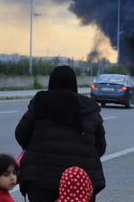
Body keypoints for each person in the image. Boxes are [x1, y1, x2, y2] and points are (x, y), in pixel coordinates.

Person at [15, 65, 106, 202]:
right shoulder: (89, 107)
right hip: (80, 183)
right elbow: (101, 147)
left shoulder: (41, 102)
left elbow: (21, 134)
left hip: (40, 180)